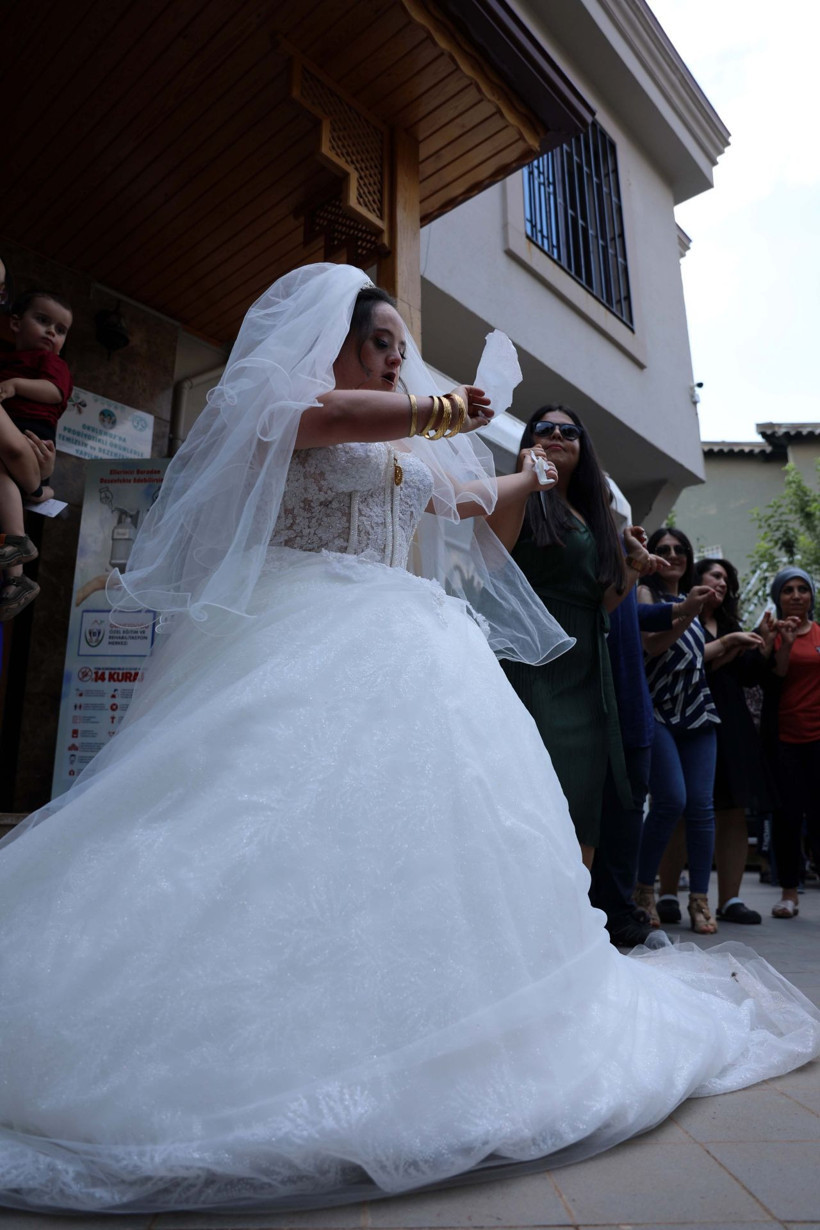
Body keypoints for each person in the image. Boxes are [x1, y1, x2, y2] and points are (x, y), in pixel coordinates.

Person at [0, 265, 817, 1217]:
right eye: (378, 342)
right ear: (334, 345)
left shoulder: (411, 444)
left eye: (399, 344)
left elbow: (466, 503)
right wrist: (440, 409)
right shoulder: (288, 402)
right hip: (294, 631)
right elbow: (340, 421)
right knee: (240, 818)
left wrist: (529, 471)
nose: (394, 356)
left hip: (404, 640)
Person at [494, 405, 651, 868]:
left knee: (581, 795)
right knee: (536, 790)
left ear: (584, 448)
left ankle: (574, 924)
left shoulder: (591, 514)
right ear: (530, 440)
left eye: (570, 431)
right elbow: (495, 557)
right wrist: (525, 482)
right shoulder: (522, 494)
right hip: (532, 659)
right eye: (546, 429)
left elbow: (601, 602)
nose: (558, 435)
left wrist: (635, 564)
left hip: (585, 664)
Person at [654, 558, 775, 927]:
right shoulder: (680, 617)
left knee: (732, 810)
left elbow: (748, 676)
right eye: (716, 576)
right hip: (687, 719)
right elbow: (681, 666)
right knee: (681, 806)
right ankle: (670, 895)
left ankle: (731, 898)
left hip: (730, 723)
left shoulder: (728, 625)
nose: (723, 583)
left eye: (727, 579)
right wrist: (729, 648)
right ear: (698, 579)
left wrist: (763, 645)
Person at [635, 527, 724, 933]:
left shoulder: (689, 599)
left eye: (680, 549)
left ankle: (701, 902)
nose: (673, 555)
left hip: (698, 710)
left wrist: (733, 642)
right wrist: (688, 610)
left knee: (703, 808)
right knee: (670, 800)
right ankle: (643, 890)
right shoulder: (645, 595)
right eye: (663, 549)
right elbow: (653, 646)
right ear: (651, 556)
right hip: (658, 710)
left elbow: (693, 655)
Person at [0, 290, 73, 619]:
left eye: (60, 330)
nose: (51, 333)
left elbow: (54, 391)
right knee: (5, 483)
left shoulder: (51, 363)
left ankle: (18, 540)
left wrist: (15, 384)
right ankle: (16, 580)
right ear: (15, 322)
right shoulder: (6, 359)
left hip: (32, 431)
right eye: (43, 321)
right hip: (12, 434)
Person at [766, 567, 820, 919]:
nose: (797, 595)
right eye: (789, 590)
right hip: (784, 738)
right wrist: (783, 642)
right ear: (778, 598)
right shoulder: (770, 633)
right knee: (787, 816)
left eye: (803, 589)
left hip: (819, 738)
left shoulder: (819, 633)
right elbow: (778, 674)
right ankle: (788, 892)